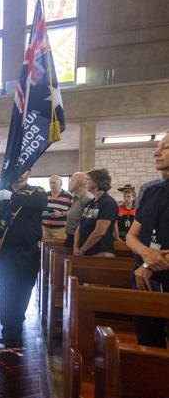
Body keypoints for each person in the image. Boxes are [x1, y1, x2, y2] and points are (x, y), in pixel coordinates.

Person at [0, 170, 47, 348]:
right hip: (6, 252)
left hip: (30, 252)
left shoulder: (37, 192)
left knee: (24, 291)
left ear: (30, 172)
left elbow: (41, 204)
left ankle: (17, 322)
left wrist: (11, 198)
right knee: (7, 290)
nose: (19, 173)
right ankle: (9, 330)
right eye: (16, 169)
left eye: (24, 169)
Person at [126, 134, 169, 347]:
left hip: (156, 272)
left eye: (165, 147)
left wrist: (149, 262)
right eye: (157, 147)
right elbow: (131, 235)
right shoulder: (151, 191)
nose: (156, 152)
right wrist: (145, 255)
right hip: (143, 279)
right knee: (148, 343)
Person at [74, 168, 118, 258]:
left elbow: (99, 232)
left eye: (87, 179)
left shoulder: (108, 203)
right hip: (85, 251)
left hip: (101, 252)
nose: (84, 182)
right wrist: (75, 247)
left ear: (97, 182)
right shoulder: (90, 203)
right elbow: (80, 226)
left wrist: (83, 249)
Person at [64, 171, 93, 247]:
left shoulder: (87, 198)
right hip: (71, 236)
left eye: (72, 180)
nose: (70, 182)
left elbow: (88, 221)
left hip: (79, 239)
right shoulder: (76, 197)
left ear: (80, 183)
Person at [41, 174, 72, 241]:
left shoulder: (69, 196)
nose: (52, 185)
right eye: (50, 183)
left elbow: (73, 212)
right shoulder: (44, 195)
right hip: (45, 229)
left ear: (61, 184)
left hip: (60, 230)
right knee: (44, 249)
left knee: (59, 249)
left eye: (54, 183)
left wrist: (61, 213)